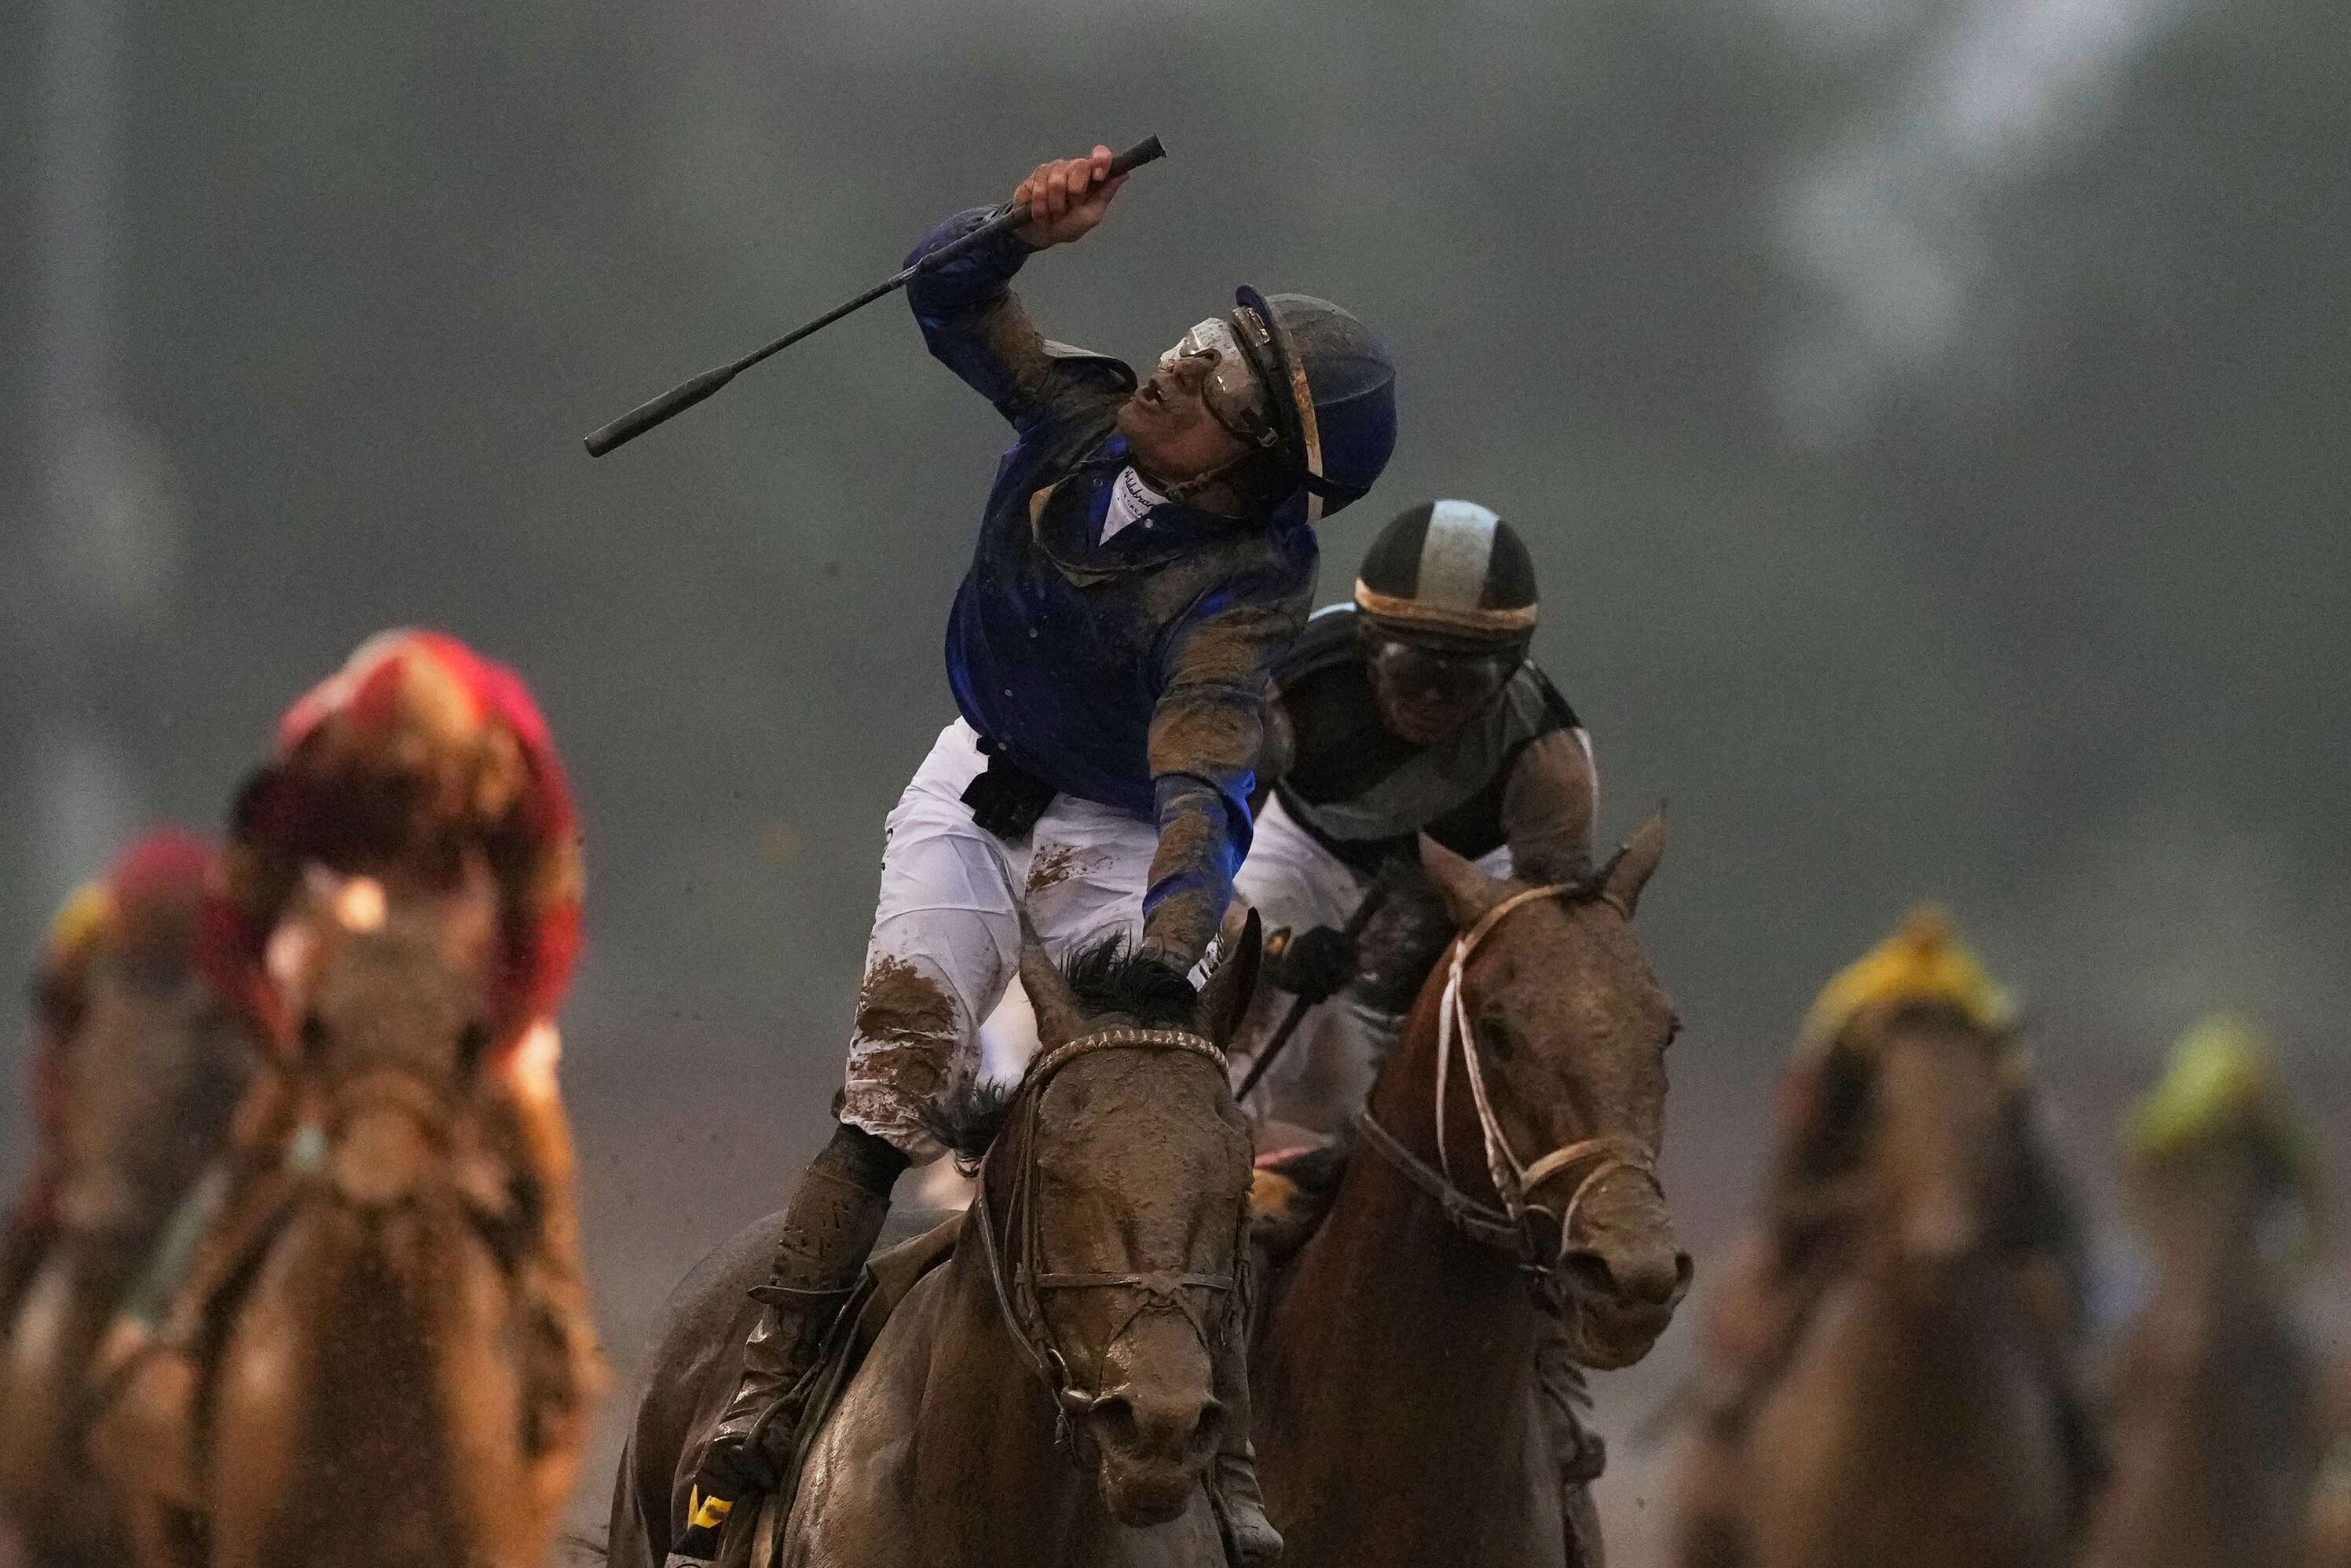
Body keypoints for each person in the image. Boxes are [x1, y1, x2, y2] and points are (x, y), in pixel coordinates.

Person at [690, 146, 1397, 1566]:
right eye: (1196, 346)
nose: (1175, 375)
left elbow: (1202, 776)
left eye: (1215, 389)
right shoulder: (1079, 410)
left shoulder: (1248, 584)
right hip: (965, 791)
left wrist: (1166, 946)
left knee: (1171, 1126)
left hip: (1123, 835)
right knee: (888, 1101)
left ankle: (1231, 1459)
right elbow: (944, 296)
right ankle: (760, 1397)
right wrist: (1014, 228)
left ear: (1255, 469)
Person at [1230, 499, 1596, 1136]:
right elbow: (1199, 851)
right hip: (1302, 845)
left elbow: (1550, 944)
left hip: (1469, 879)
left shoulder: (1550, 760)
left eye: (1464, 680)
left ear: (1509, 669)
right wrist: (1275, 949)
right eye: (1413, 669)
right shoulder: (1291, 684)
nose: (1431, 699)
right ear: (1369, 645)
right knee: (1235, 1049)